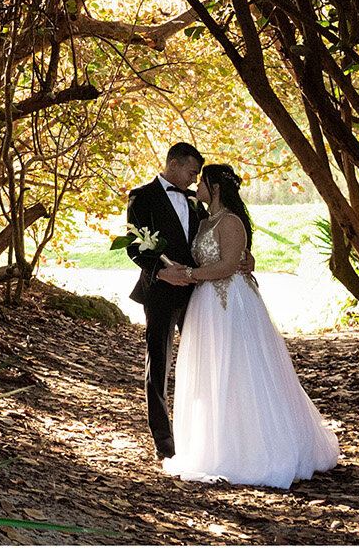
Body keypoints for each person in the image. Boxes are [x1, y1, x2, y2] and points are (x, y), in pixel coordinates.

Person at [157, 162, 340, 488]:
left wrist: (187, 275)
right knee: (212, 373)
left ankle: (253, 451)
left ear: (215, 188)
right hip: (205, 305)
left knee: (240, 371)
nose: (196, 186)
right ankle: (213, 445)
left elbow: (228, 266)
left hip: (230, 304)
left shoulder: (231, 221)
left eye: (202, 182)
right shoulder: (205, 220)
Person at [122, 142, 250, 463]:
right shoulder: (142, 197)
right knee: (159, 364)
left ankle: (207, 436)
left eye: (198, 176)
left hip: (200, 294)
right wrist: (162, 273)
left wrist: (247, 259)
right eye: (192, 172)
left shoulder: (197, 201)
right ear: (174, 164)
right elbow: (135, 246)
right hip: (161, 292)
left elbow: (224, 237)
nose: (195, 181)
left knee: (205, 363)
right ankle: (165, 445)